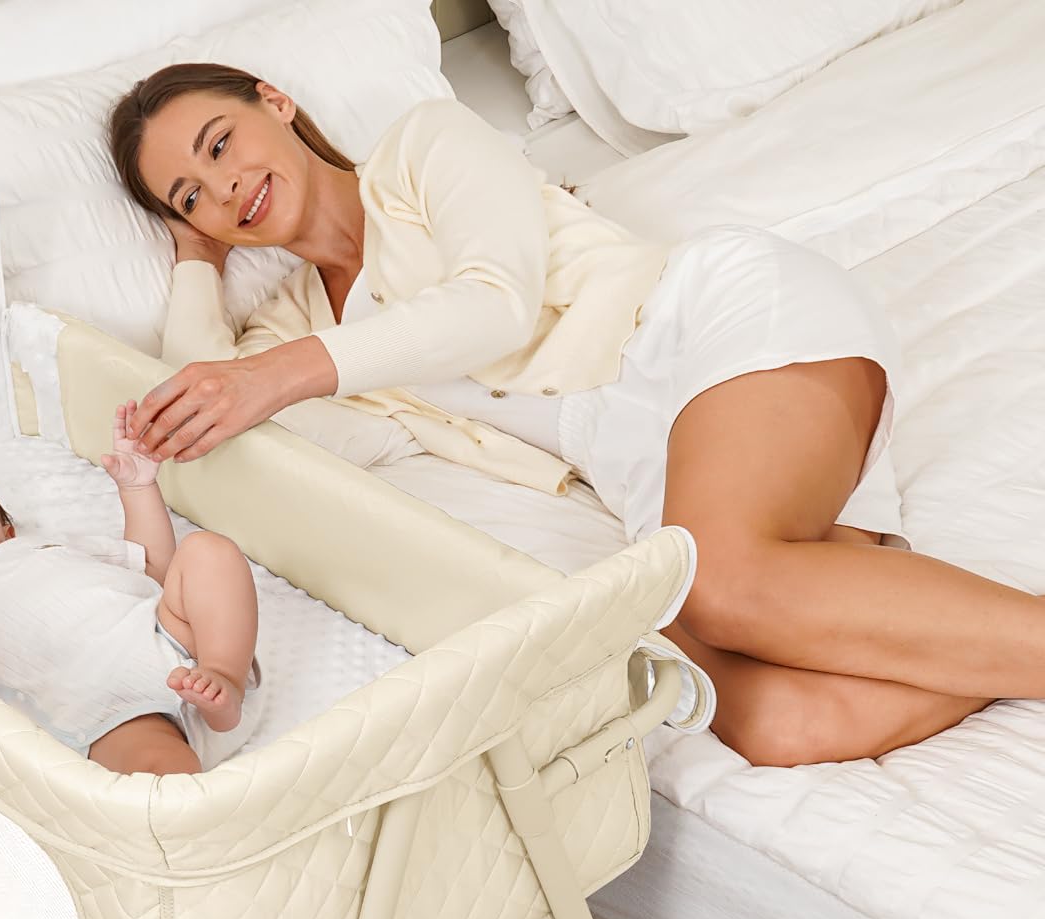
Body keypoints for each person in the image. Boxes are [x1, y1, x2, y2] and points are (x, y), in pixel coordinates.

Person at [109, 68, 1045, 766]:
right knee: (774, 722)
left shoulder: (422, 148)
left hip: (708, 328)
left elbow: (496, 304)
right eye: (191, 196)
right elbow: (204, 408)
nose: (222, 189)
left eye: (219, 145)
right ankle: (927, 618)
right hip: (652, 472)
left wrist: (278, 374)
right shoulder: (294, 329)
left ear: (275, 102)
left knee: (719, 584)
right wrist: (196, 259)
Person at [0, 405, 260, 775]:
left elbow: (151, 567)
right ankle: (195, 767)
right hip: (115, 710)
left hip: (170, 637)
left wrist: (138, 488)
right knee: (157, 767)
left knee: (208, 551)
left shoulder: (45, 547)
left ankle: (225, 676)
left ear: (6, 530)